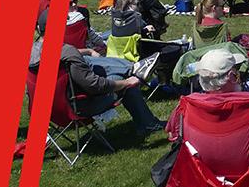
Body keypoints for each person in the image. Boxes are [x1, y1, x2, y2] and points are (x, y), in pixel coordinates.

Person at [32, 12, 164, 135]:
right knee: (127, 82)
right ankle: (148, 124)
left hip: (49, 111)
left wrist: (86, 51)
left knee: (87, 59)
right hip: (78, 109)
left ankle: (133, 68)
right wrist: (125, 83)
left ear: (39, 28)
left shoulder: (32, 53)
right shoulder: (68, 52)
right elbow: (95, 85)